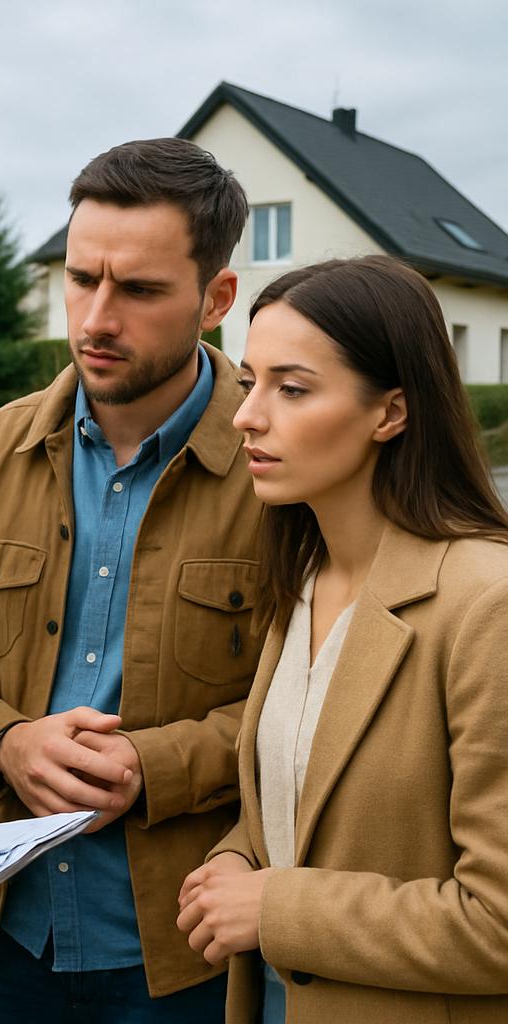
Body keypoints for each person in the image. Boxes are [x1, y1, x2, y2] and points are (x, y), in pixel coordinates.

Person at [0, 138, 263, 1022]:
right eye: (80, 279)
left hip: (184, 949)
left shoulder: (275, 467)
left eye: (138, 290)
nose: (96, 318)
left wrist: (156, 765)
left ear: (216, 298)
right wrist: (6, 741)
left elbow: (315, 703)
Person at [177, 255, 508, 1023]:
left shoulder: (484, 606)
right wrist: (239, 854)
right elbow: (315, 799)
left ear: (390, 412)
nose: (246, 415)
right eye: (249, 380)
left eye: (291, 389)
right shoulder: (304, 577)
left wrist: (276, 907)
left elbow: (496, 918)